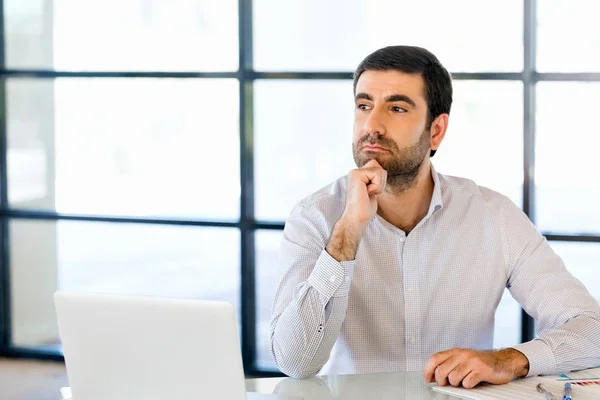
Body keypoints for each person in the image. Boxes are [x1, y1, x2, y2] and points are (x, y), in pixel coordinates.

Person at [269, 45, 600, 388]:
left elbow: (591, 328)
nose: (372, 125)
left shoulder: (493, 216)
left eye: (396, 108)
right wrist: (347, 232)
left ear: (436, 130)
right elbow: (295, 362)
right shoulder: (315, 217)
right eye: (364, 105)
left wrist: (509, 360)